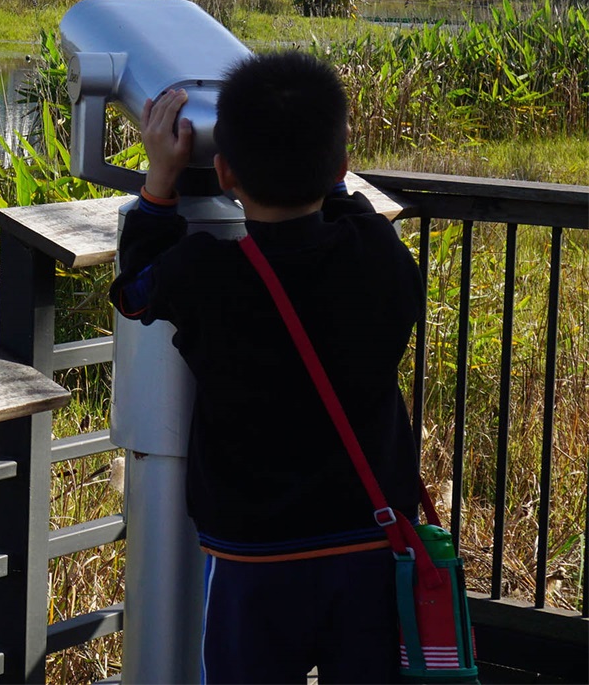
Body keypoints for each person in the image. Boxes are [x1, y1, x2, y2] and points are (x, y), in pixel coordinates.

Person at [109, 50, 424, 684]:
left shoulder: (207, 276)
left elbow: (137, 288)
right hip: (369, 539)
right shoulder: (382, 261)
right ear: (340, 167)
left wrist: (158, 187)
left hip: (257, 553)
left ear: (223, 171)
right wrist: (327, 179)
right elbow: (350, 215)